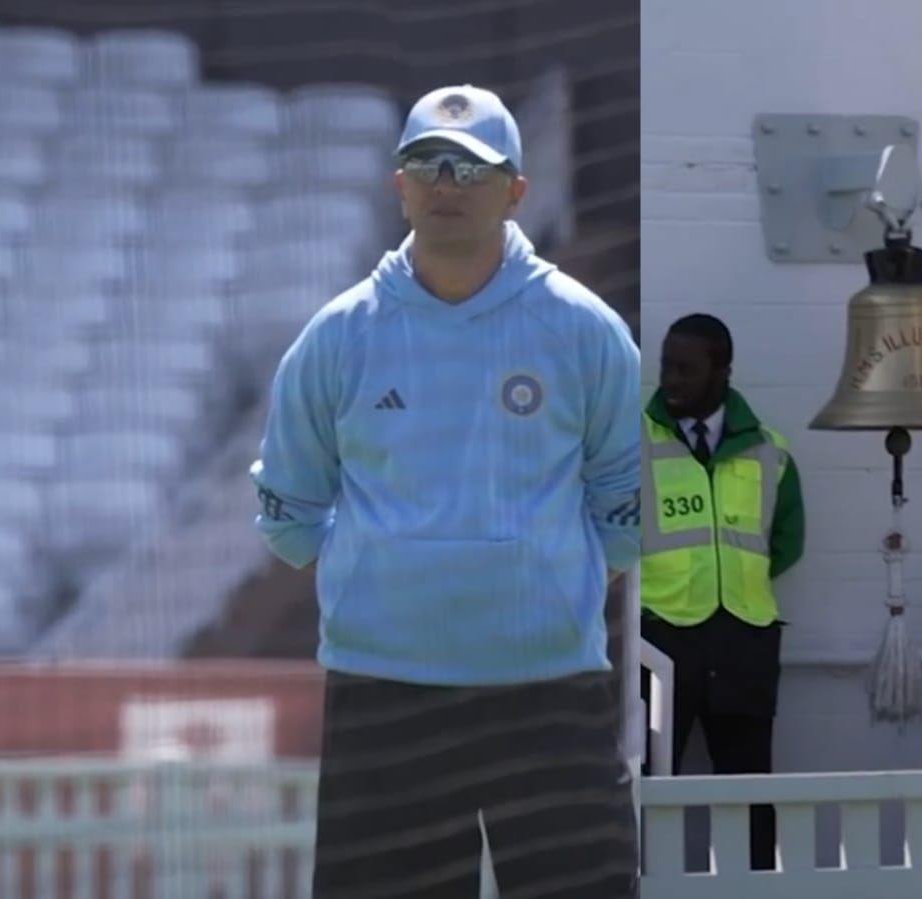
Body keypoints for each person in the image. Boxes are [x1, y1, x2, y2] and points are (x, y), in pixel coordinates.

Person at [250, 83, 642, 899]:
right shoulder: (339, 336)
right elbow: (287, 508)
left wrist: (539, 581)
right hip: (385, 696)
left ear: (517, 189)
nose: (445, 184)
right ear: (398, 185)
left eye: (469, 168)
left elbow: (624, 503)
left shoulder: (583, 329)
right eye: (426, 164)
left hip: (548, 694)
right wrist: (380, 575)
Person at [639, 313, 805, 871]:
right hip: (657, 639)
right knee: (645, 780)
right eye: (666, 365)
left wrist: (733, 586)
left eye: (687, 369)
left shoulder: (770, 452)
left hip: (744, 639)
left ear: (722, 373)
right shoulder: (630, 445)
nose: (671, 380)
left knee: (749, 786)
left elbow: (786, 542)